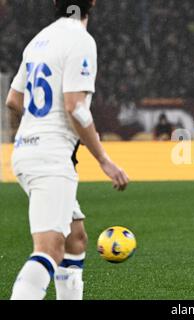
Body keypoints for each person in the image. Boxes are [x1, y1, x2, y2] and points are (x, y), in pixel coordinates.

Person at [5, 0, 129, 300]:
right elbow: (77, 109)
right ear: (93, 3)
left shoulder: (39, 40)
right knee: (48, 249)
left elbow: (13, 100)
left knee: (75, 238)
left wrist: (30, 131)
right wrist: (104, 160)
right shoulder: (81, 40)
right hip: (50, 156)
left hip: (26, 151)